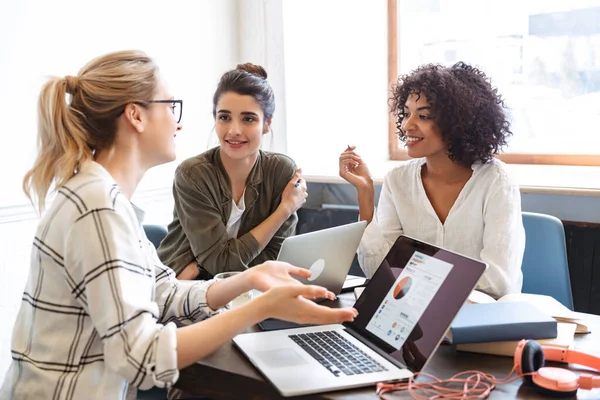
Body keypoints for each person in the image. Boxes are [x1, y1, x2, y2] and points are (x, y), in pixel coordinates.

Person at [0, 50, 357, 400]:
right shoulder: (97, 208)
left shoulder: (106, 200)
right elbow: (140, 357)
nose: (179, 122)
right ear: (136, 116)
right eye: (171, 107)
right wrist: (260, 306)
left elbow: (163, 292)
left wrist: (249, 278)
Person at [339, 62, 525, 299]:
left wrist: (415, 279)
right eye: (406, 113)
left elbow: (497, 282)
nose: (407, 125)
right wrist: (365, 197)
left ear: (458, 122)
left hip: (479, 321)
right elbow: (380, 273)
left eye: (423, 116)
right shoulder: (397, 181)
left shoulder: (497, 182)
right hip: (412, 319)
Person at [157, 63, 305, 280]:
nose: (234, 131)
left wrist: (203, 266)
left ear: (266, 124)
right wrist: (284, 209)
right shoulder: (193, 175)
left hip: (245, 292)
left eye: (248, 119)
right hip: (180, 291)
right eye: (224, 117)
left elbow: (275, 259)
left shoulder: (281, 172)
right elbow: (221, 263)